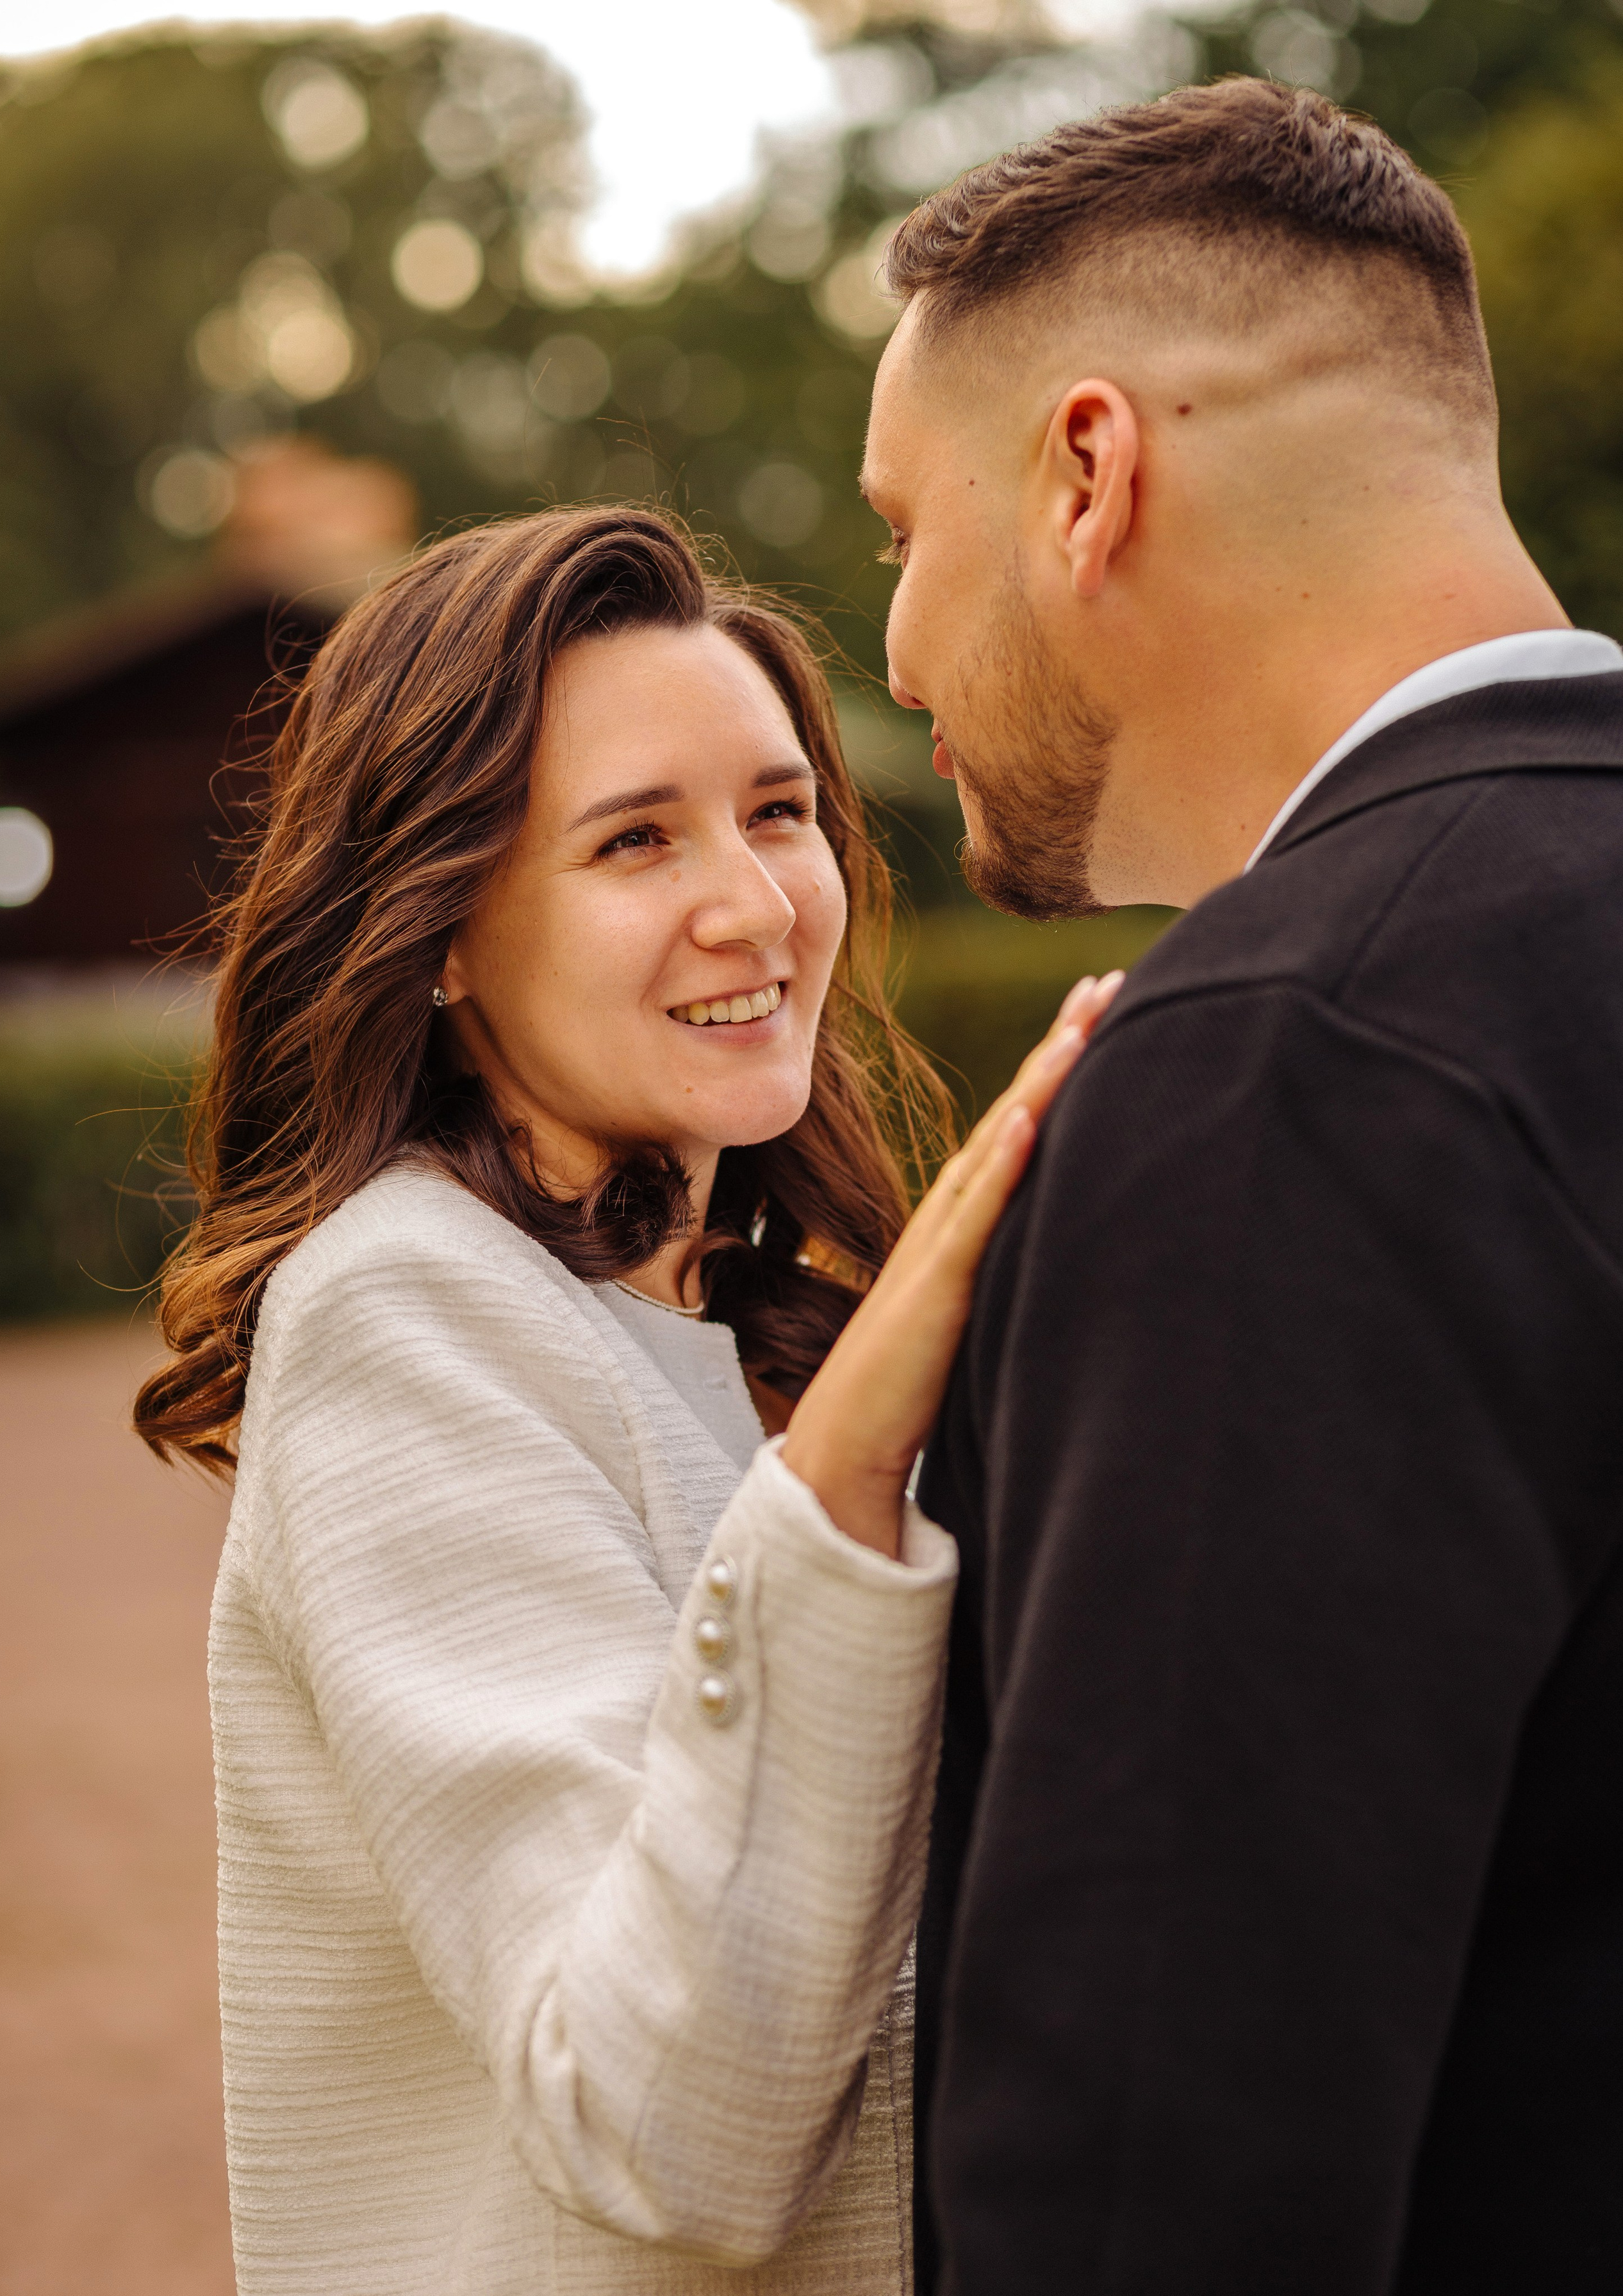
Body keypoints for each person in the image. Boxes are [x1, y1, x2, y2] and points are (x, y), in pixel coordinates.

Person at [133, 505, 1115, 2295]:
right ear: (439, 931)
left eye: (778, 810)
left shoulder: (750, 1321)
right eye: (634, 839)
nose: (751, 903)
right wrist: (850, 1469)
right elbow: (667, 2126)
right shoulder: (405, 1313)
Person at [861, 76, 1623, 2296]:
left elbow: (1153, 2164)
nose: (893, 653)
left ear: (1090, 474)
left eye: (905, 529)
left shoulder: (1289, 1066)